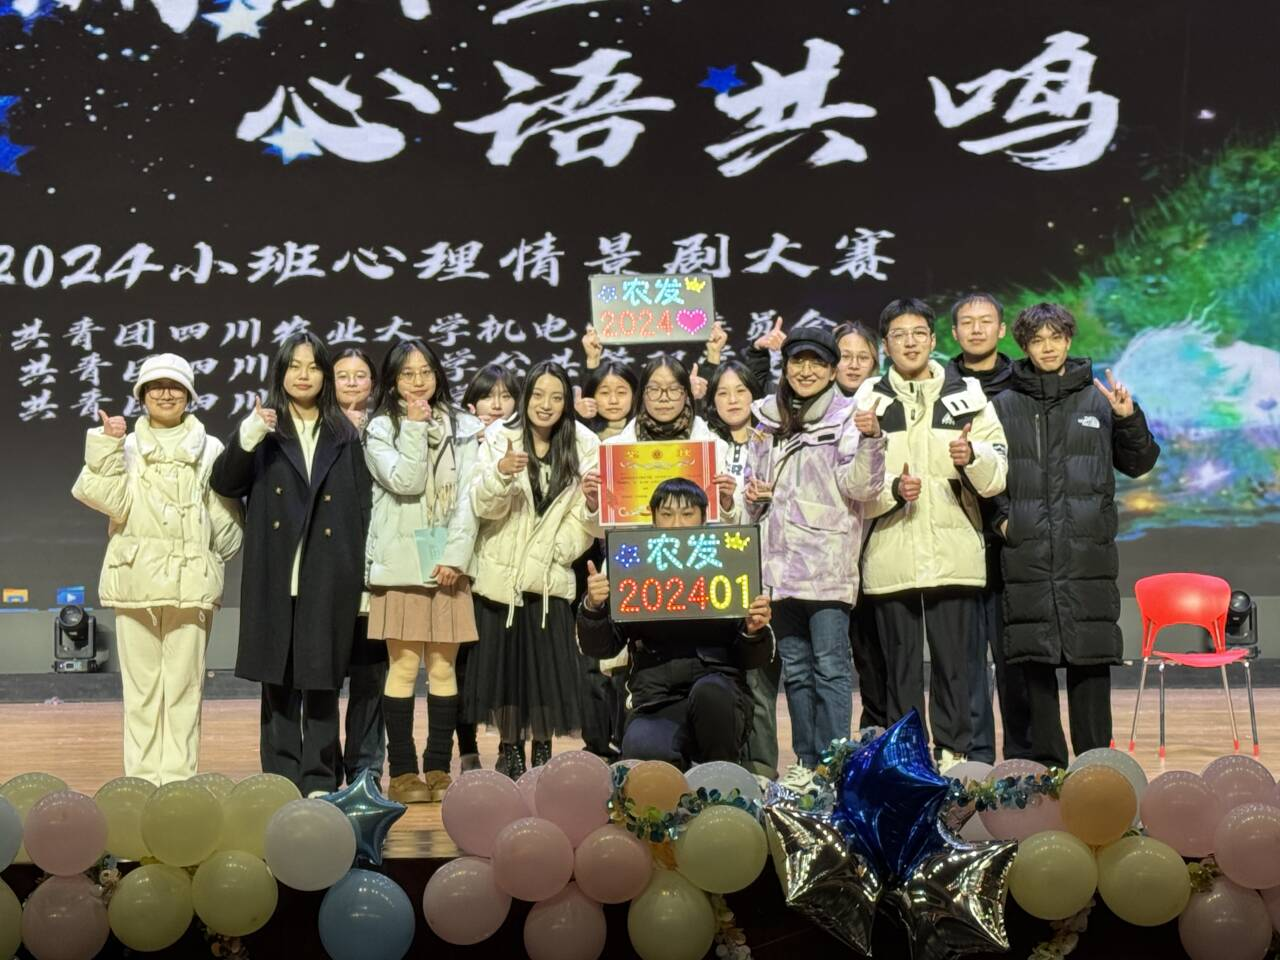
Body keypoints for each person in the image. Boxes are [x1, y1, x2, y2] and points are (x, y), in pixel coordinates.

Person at [992, 302, 1160, 767]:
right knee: (1036, 668)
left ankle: (1096, 769)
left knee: (1090, 666)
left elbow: (1139, 463)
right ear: (1024, 346)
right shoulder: (1003, 405)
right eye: (1037, 340)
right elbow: (988, 480)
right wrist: (1005, 522)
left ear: (1068, 341)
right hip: (1028, 556)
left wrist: (1127, 418)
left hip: (1087, 556)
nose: (1048, 347)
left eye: (1056, 338)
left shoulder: (1099, 400)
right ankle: (1048, 773)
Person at [211, 332, 371, 797]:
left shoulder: (343, 433)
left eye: (313, 366)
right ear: (280, 373)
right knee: (277, 681)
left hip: (329, 570)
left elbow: (361, 506)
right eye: (295, 366)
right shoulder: (264, 428)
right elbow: (225, 482)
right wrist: (248, 434)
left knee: (322, 680)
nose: (304, 375)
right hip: (277, 571)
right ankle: (280, 778)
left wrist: (363, 578)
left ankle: (320, 777)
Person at [72, 354, 243, 785]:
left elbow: (224, 522)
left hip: (190, 584)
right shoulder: (126, 445)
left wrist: (206, 561)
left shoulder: (210, 448)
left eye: (175, 386)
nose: (166, 394)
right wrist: (106, 445)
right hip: (135, 580)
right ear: (142, 395)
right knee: (141, 691)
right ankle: (143, 783)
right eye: (156, 386)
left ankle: (179, 784)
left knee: (185, 689)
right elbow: (107, 500)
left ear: (189, 394)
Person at [854, 298, 1008, 771]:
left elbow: (998, 473)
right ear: (885, 345)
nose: (910, 342)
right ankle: (907, 763)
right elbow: (853, 487)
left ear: (934, 339)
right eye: (899, 335)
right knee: (898, 671)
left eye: (919, 333)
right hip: (890, 554)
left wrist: (972, 458)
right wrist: (892, 491)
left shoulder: (968, 395)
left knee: (956, 667)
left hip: (954, 552)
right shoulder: (868, 400)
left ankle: (955, 760)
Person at [744, 328, 886, 771]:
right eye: (797, 362)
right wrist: (754, 494)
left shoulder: (848, 418)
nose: (806, 371)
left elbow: (862, 487)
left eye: (817, 363)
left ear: (831, 370)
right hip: (778, 567)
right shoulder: (766, 419)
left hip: (826, 566)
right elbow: (753, 486)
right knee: (797, 671)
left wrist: (872, 440)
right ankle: (806, 764)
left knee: (830, 668)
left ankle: (834, 764)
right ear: (786, 367)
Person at [577, 479, 774, 768]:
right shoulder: (634, 565)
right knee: (642, 751)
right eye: (667, 514)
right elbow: (603, 647)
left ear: (704, 518)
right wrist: (593, 607)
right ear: (654, 519)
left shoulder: (729, 563)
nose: (677, 523)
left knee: (711, 694)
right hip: (655, 699)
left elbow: (752, 659)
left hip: (719, 694)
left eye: (687, 513)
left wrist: (753, 632)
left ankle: (721, 778)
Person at [466, 361, 601, 778]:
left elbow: (588, 523)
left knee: (546, 677)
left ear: (567, 403)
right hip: (502, 578)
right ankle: (509, 751)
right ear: (525, 397)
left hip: (548, 580)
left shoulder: (585, 444)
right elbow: (481, 507)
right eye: (538, 395)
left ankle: (542, 752)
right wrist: (501, 475)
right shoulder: (499, 437)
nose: (546, 405)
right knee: (506, 676)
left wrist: (561, 547)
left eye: (556, 397)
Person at [365, 340, 484, 804]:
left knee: (442, 668)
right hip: (400, 568)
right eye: (407, 373)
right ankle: (401, 772)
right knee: (402, 667)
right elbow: (406, 481)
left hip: (448, 566)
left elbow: (469, 499)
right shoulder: (381, 428)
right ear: (393, 380)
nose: (418, 382)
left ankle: (437, 767)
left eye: (426, 372)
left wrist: (456, 557)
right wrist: (414, 428)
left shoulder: (465, 427)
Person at [943, 295, 1022, 764]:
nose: (976, 329)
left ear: (1002, 329)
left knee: (1016, 660)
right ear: (954, 332)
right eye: (967, 323)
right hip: (958, 537)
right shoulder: (940, 385)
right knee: (967, 660)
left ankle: (1022, 763)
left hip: (1013, 540)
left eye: (985, 321)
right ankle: (975, 763)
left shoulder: (1024, 384)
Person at [332, 347, 388, 787]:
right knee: (323, 681)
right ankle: (324, 767)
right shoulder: (315, 431)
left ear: (373, 382)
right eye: (342, 375)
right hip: (330, 576)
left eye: (360, 375)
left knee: (371, 680)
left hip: (376, 574)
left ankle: (366, 770)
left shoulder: (386, 430)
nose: (352, 382)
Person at [832, 321, 889, 733]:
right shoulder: (818, 409)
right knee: (840, 657)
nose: (853, 365)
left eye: (862, 357)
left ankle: (880, 733)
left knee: (878, 653)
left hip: (879, 546)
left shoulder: (887, 404)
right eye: (844, 356)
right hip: (832, 556)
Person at [606, 354, 740, 522]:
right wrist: (594, 505)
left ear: (686, 394)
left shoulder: (714, 448)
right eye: (654, 389)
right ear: (642, 394)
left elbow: (729, 524)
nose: (664, 398)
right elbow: (599, 529)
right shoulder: (613, 452)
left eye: (674, 389)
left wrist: (726, 503)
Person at [573, 360, 638, 442]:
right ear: (592, 396)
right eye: (605, 392)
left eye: (621, 392)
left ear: (634, 395)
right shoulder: (578, 432)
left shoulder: (645, 431)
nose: (613, 401)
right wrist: (579, 418)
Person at [462, 364, 522, 430]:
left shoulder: (526, 434)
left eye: (505, 396)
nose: (497, 405)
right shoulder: (457, 433)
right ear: (473, 402)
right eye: (487, 397)